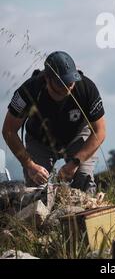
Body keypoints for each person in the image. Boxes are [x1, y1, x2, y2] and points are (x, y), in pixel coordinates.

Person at [2, 51, 106, 193]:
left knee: (84, 180)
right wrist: (29, 165)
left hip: (76, 136)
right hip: (39, 141)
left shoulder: (86, 88)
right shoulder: (29, 91)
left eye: (71, 80)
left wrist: (75, 162)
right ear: (47, 78)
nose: (68, 86)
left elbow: (100, 131)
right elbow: (9, 131)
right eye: (61, 82)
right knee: (36, 187)